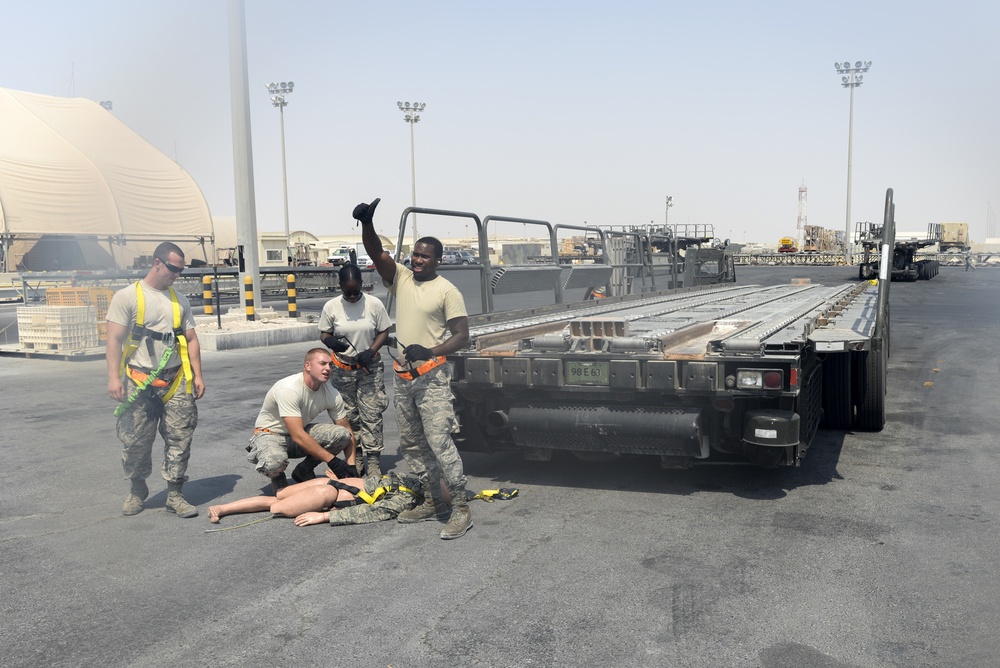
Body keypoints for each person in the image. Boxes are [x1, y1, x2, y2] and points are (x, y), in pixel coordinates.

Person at [355, 197, 474, 540]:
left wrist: (430, 349)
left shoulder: (447, 291)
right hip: (404, 379)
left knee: (439, 443)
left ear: (439, 260)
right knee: (412, 444)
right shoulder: (403, 278)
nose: (418, 259)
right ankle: (435, 501)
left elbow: (462, 335)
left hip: (433, 378)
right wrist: (367, 224)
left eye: (425, 256)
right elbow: (378, 254)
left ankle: (462, 509)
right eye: (415, 254)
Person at [106, 242, 206, 518]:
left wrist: (197, 375)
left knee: (180, 439)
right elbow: (114, 340)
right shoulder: (128, 297)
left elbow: (191, 339)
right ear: (157, 263)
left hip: (175, 381)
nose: (176, 274)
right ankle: (138, 490)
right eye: (173, 268)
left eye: (180, 270)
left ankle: (175, 494)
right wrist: (114, 378)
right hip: (139, 381)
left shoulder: (179, 300)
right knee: (136, 442)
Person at [246, 348, 358, 493]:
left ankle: (304, 470)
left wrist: (351, 465)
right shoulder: (289, 388)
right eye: (322, 364)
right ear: (308, 366)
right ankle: (279, 482)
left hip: (296, 436)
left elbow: (348, 430)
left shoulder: (332, 393)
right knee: (274, 462)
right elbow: (298, 435)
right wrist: (333, 461)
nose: (327, 369)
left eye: (330, 365)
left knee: (342, 435)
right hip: (269, 435)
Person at [318, 264, 392, 477]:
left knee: (372, 414)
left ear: (361, 284)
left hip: (369, 367)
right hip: (343, 370)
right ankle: (356, 457)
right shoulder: (331, 306)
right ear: (340, 286)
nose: (351, 295)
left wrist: (372, 350)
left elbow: (384, 330)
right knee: (348, 417)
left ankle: (375, 461)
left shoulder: (374, 304)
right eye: (347, 291)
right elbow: (324, 332)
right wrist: (330, 341)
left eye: (355, 290)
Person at [208, 469, 439, 527]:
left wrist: (324, 517)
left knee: (275, 505)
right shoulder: (412, 480)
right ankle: (222, 507)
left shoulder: (409, 500)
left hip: (329, 494)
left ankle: (223, 509)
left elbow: (372, 512)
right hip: (331, 484)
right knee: (277, 497)